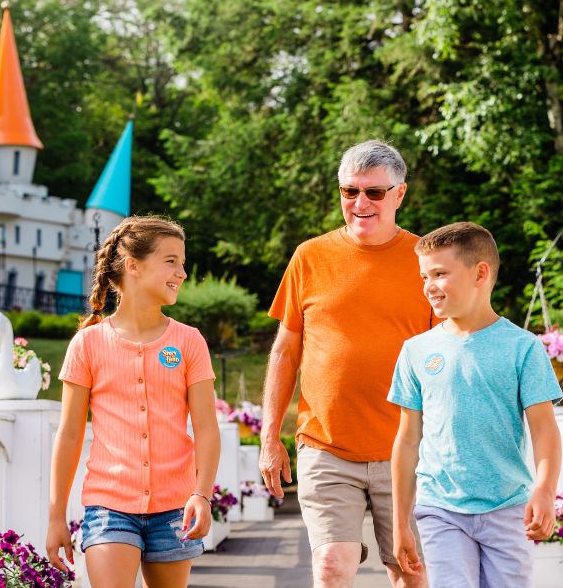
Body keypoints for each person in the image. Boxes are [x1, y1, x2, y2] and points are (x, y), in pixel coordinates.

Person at [260, 140, 434, 588]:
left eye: (374, 193)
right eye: (349, 191)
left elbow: (449, 354)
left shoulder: (427, 263)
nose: (360, 203)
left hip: (408, 449)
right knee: (332, 565)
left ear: (399, 195)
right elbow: (285, 350)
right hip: (325, 446)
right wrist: (269, 437)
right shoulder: (309, 256)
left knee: (411, 572)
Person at [46, 216, 220, 588]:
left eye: (182, 262)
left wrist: (201, 495)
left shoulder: (189, 342)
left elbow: (207, 428)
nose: (183, 273)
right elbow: (70, 434)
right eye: (171, 261)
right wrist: (56, 516)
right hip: (109, 508)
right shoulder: (88, 344)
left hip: (175, 509)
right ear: (133, 266)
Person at [389, 222, 563, 588]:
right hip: (440, 508)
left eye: (439, 274)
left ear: (480, 273)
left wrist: (544, 491)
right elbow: (407, 441)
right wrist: (400, 522)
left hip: (508, 509)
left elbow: (545, 429)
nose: (428, 286)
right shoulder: (416, 351)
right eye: (424, 276)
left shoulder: (523, 348)